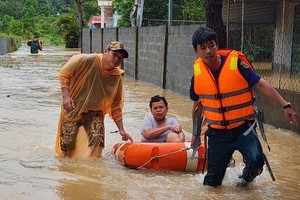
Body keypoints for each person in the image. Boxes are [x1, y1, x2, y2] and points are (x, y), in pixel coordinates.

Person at [189, 27, 299, 187]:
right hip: (218, 133)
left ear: (217, 45)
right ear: (196, 52)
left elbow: (261, 84)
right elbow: (197, 107)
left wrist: (285, 105)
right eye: (203, 48)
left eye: (211, 45)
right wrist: (196, 133)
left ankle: (243, 182)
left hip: (243, 128)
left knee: (256, 162)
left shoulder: (237, 63)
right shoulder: (197, 76)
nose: (208, 51)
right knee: (212, 184)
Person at [55, 41, 133, 158]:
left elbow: (116, 106)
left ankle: (92, 171)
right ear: (105, 51)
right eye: (115, 54)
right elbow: (64, 74)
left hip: (94, 113)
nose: (117, 59)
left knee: (97, 147)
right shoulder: (86, 60)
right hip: (72, 109)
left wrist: (121, 130)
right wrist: (66, 96)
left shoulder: (116, 77)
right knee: (66, 151)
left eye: (120, 58)